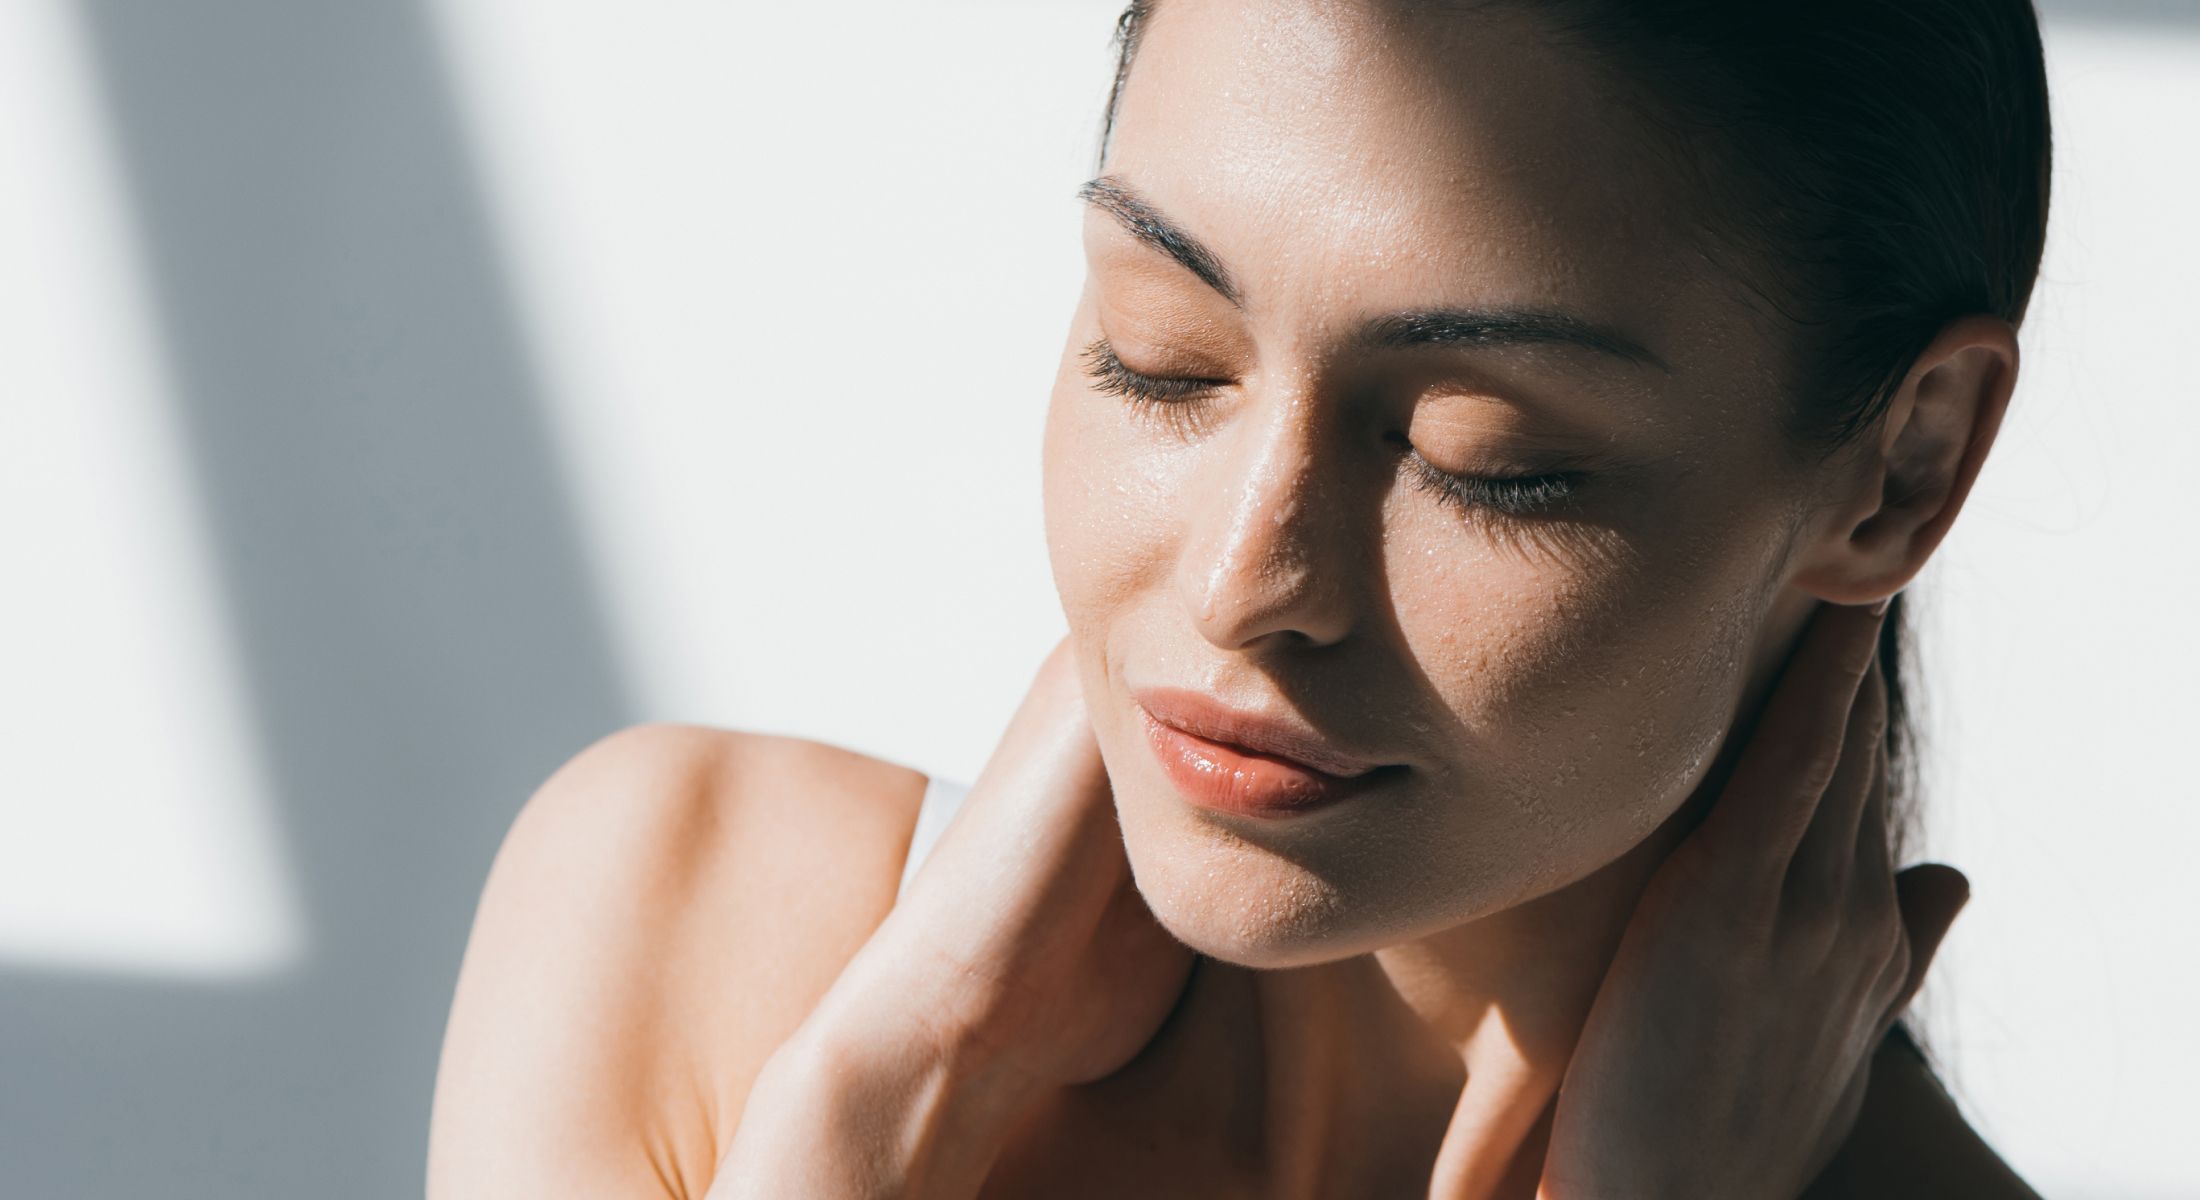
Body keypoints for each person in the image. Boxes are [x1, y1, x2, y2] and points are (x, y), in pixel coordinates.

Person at [426, 1, 2052, 1195]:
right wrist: (873, 1111)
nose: (1241, 581)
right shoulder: (695, 928)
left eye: (1487, 457)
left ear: (1904, 467)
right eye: (1160, 355)